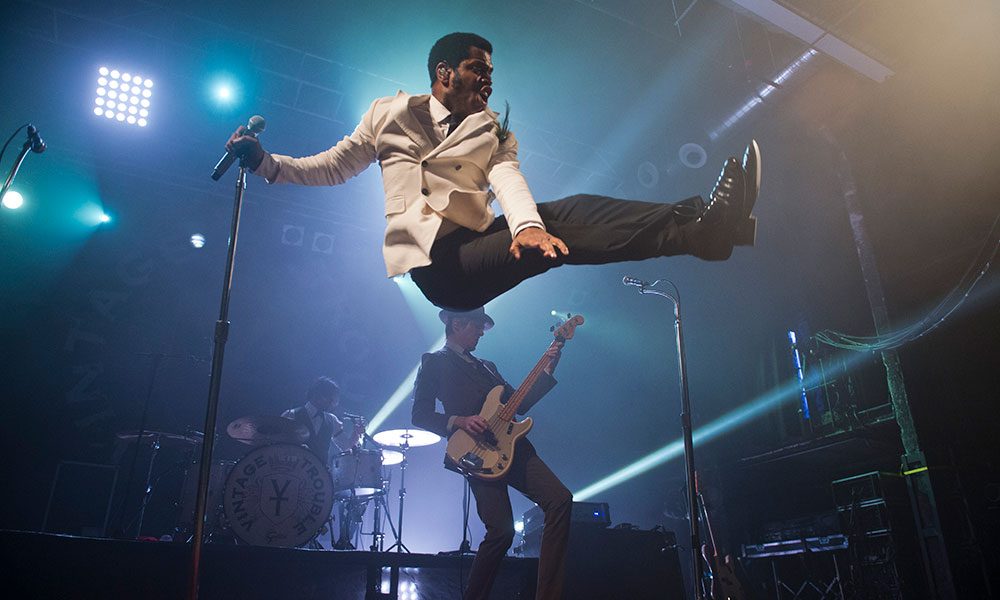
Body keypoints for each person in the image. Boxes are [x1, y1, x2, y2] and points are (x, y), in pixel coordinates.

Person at [226, 32, 762, 311]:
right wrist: (268, 163)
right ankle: (703, 230)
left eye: (490, 72)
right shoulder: (388, 115)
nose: (487, 81)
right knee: (552, 226)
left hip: (478, 245)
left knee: (563, 213)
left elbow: (509, 180)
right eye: (477, 70)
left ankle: (703, 224)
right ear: (445, 73)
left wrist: (526, 223)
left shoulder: (493, 132)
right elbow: (333, 167)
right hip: (441, 271)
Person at [411, 307, 570, 600]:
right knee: (501, 531)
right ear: (457, 324)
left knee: (560, 499)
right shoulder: (434, 362)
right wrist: (459, 421)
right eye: (477, 326)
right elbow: (419, 414)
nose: (482, 332)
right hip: (475, 452)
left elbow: (518, 404)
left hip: (513, 447)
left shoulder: (488, 366)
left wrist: (548, 367)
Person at [281, 376, 365, 549]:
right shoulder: (291, 415)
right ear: (320, 396)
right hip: (292, 476)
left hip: (318, 477)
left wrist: (356, 433)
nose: (335, 403)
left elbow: (346, 446)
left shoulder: (332, 420)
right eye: (333, 398)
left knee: (313, 513)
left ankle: (310, 541)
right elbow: (279, 448)